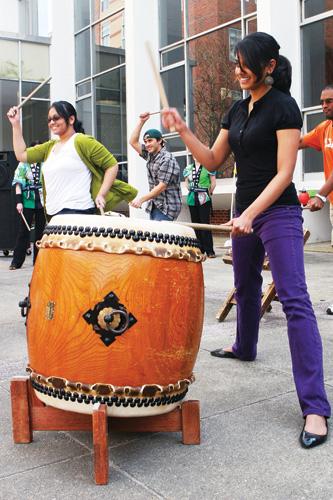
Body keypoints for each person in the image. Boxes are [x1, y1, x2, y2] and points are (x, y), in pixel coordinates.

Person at [162, 32, 330, 448]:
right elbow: (213, 160)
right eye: (235, 62)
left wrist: (251, 214)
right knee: (245, 285)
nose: (237, 70)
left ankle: (315, 408)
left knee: (294, 300)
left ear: (269, 66)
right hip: (245, 211)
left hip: (279, 211)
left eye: (244, 63)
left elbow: (285, 172)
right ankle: (245, 346)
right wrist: (183, 130)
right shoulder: (236, 110)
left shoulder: (284, 107)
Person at [7, 101, 137, 219]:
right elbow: (21, 155)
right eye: (49, 120)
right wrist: (15, 124)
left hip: (78, 211)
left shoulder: (81, 140)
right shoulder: (50, 146)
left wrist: (101, 194)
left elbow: (112, 165)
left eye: (56, 118)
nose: (52, 122)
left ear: (71, 119)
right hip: (53, 214)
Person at [299, 86, 333, 315]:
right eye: (322, 102)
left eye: (329, 101)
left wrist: (320, 194)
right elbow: (299, 142)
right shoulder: (325, 129)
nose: (324, 106)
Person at [129, 113, 182, 221]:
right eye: (145, 142)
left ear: (159, 141)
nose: (147, 144)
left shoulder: (167, 159)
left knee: (161, 237)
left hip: (167, 207)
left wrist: (141, 200)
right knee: (155, 237)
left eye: (150, 141)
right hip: (155, 205)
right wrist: (141, 121)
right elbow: (133, 142)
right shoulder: (151, 155)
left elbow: (161, 186)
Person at [9, 142, 46, 269]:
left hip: (42, 200)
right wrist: (19, 202)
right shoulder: (23, 164)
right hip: (28, 200)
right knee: (23, 231)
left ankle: (39, 262)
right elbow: (18, 183)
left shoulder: (46, 163)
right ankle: (16, 262)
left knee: (41, 233)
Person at [183, 158, 216, 257]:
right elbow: (186, 182)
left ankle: (209, 250)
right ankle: (199, 249)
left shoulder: (208, 167)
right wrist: (189, 187)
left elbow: (213, 183)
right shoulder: (188, 168)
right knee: (195, 224)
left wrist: (208, 193)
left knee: (205, 224)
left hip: (204, 198)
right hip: (192, 198)